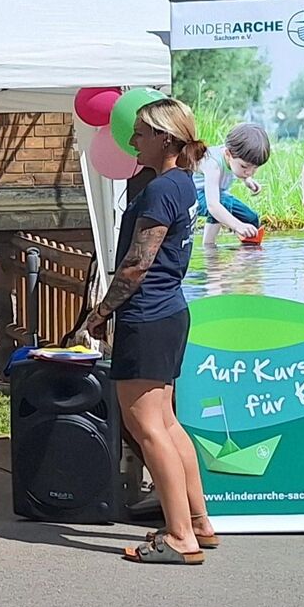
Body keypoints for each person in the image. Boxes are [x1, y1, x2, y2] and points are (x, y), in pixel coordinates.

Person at [83, 97, 214, 565]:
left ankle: (180, 537)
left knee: (146, 427)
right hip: (169, 312)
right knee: (166, 423)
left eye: (140, 132)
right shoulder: (182, 183)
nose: (132, 139)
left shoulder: (161, 189)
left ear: (164, 137)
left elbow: (138, 264)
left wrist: (101, 312)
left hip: (147, 316)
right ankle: (198, 522)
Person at [196, 122, 271, 246]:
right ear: (227, 154)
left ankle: (248, 250)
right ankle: (209, 247)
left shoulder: (236, 158)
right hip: (193, 196)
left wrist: (248, 180)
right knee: (223, 203)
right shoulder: (212, 164)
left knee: (251, 218)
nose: (249, 172)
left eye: (255, 168)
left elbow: (237, 169)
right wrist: (238, 226)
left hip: (219, 195)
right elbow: (213, 205)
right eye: (244, 167)